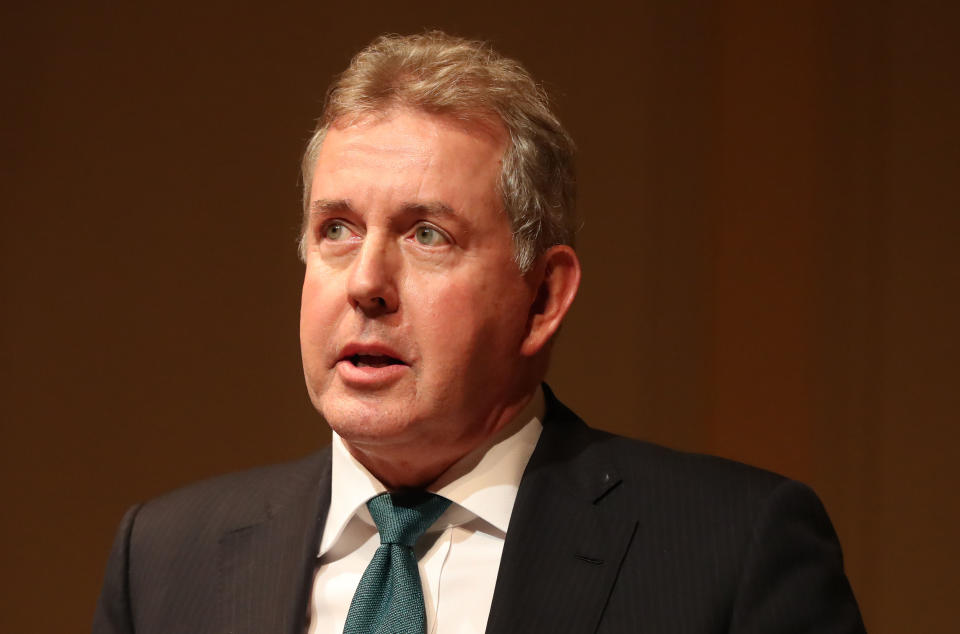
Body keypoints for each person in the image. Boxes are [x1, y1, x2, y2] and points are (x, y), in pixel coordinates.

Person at [93, 31, 865, 634]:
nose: (365, 282)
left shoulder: (728, 550)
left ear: (543, 298)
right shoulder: (166, 558)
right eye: (336, 228)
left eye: (427, 234)